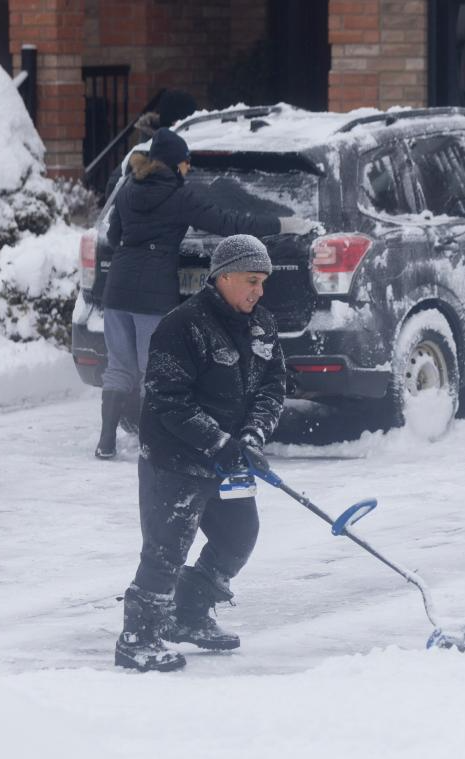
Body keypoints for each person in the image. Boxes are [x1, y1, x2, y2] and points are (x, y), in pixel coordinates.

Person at [115, 234, 286, 672]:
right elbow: (167, 399)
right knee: (166, 548)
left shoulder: (262, 324)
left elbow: (272, 388)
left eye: (262, 281)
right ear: (222, 277)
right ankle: (139, 638)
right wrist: (219, 443)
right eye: (251, 280)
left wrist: (250, 438)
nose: (258, 291)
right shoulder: (182, 326)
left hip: (228, 459)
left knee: (238, 536)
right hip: (176, 459)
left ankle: (190, 612)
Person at [96, 127, 313, 459]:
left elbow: (113, 237)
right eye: (186, 162)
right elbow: (229, 222)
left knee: (119, 366)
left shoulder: (127, 188)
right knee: (152, 369)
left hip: (117, 290)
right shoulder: (178, 196)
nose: (188, 169)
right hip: (152, 294)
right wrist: (283, 224)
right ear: (174, 163)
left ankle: (105, 444)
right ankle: (149, 443)